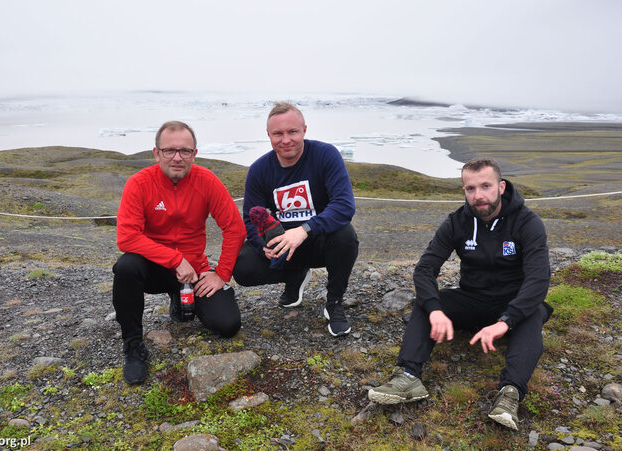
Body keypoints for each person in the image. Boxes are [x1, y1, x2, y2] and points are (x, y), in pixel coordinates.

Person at [368, 157, 553, 431]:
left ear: (501, 187)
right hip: (472, 300)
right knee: (427, 300)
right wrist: (436, 311)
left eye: (486, 186)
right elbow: (425, 269)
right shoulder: (457, 222)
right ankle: (408, 376)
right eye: (470, 189)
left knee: (534, 311)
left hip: (512, 308)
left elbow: (539, 279)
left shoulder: (527, 222)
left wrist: (506, 321)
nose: (478, 196)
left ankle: (510, 394)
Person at [113, 121, 246, 384]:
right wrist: (175, 260)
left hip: (194, 270)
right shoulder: (139, 184)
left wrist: (221, 274)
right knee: (126, 267)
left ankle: (180, 296)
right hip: (151, 267)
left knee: (228, 325)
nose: (177, 157)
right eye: (169, 150)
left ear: (194, 154)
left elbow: (235, 228)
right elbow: (127, 237)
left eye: (185, 151)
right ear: (156, 153)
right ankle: (133, 346)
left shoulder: (207, 181)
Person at [233, 102, 359, 337]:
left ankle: (334, 303)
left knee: (346, 236)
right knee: (243, 267)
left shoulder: (325, 155)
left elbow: (344, 206)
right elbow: (250, 218)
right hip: (282, 246)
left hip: (319, 239)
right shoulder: (259, 170)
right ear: (269, 135)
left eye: (292, 132)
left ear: (304, 130)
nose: (286, 139)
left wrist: (305, 229)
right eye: (278, 133)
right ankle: (295, 275)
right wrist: (263, 247)